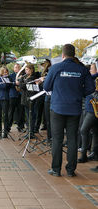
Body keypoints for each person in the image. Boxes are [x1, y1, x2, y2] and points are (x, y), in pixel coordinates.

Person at [43, 44, 95, 177]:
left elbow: (46, 86)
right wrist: (78, 94)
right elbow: (91, 88)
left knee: (57, 139)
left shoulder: (55, 68)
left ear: (63, 55)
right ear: (74, 54)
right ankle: (71, 170)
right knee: (72, 139)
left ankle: (56, 169)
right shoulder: (81, 69)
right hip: (74, 108)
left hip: (57, 108)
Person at [78, 64, 98, 163]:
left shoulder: (94, 77)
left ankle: (83, 155)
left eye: (92, 69)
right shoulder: (91, 78)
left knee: (84, 129)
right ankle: (94, 153)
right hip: (89, 107)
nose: (90, 71)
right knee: (95, 131)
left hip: (93, 110)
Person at [17, 64, 39, 139]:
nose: (26, 71)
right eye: (25, 69)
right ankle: (29, 131)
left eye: (27, 69)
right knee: (28, 116)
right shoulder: (26, 77)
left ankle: (31, 132)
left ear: (31, 70)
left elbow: (22, 86)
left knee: (30, 116)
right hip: (25, 99)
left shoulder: (32, 78)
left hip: (30, 99)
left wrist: (20, 79)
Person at [0, 67, 11, 138]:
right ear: (1, 72)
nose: (6, 73)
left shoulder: (8, 79)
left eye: (6, 72)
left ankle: (5, 132)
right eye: (4, 72)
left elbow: (4, 86)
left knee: (5, 115)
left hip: (5, 99)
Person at [8, 63, 25, 132]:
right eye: (15, 67)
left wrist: (20, 81)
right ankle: (8, 127)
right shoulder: (11, 76)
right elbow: (9, 84)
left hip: (20, 95)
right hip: (13, 95)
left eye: (18, 67)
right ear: (13, 69)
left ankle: (20, 126)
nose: (17, 68)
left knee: (21, 111)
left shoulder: (23, 76)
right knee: (11, 111)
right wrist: (15, 83)